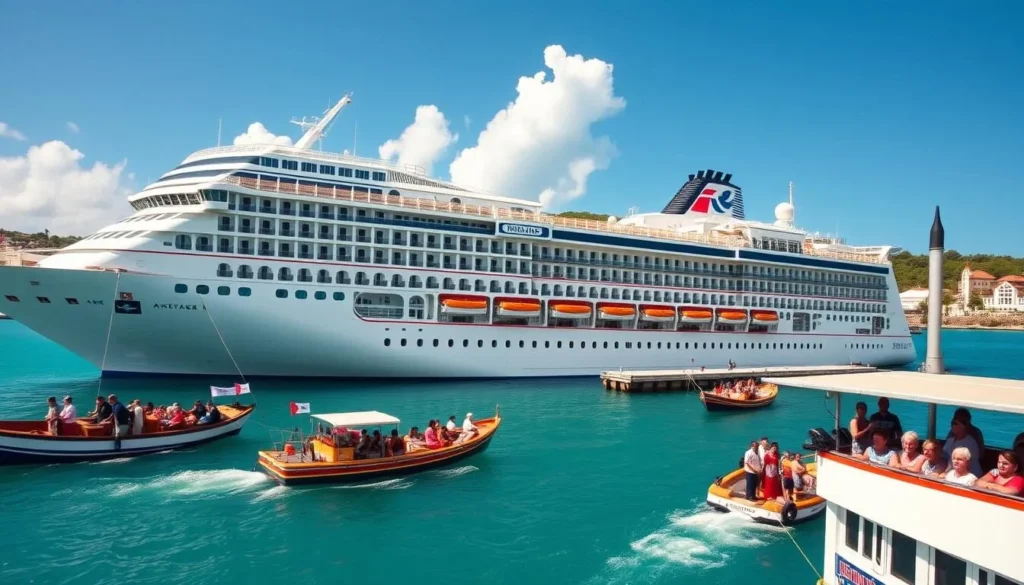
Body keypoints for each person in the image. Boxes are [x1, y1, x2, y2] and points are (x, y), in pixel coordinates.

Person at [943, 410, 983, 477]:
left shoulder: (971, 442)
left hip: (968, 474)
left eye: (955, 423)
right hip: (952, 472)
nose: (952, 425)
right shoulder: (950, 440)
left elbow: (969, 463)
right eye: (952, 423)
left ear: (963, 426)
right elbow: (944, 455)